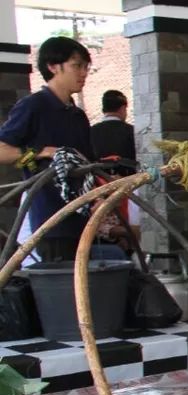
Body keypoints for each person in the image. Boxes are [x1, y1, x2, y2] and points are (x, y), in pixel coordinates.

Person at [0, 36, 95, 263]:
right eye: (76, 66)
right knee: (59, 289)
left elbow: (87, 162)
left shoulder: (77, 115)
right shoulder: (34, 106)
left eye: (85, 66)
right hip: (51, 220)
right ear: (53, 67)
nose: (83, 73)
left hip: (81, 217)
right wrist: (43, 152)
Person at [90, 90, 135, 169]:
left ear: (103, 110)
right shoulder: (131, 131)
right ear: (123, 108)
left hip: (100, 179)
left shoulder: (91, 131)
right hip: (128, 179)